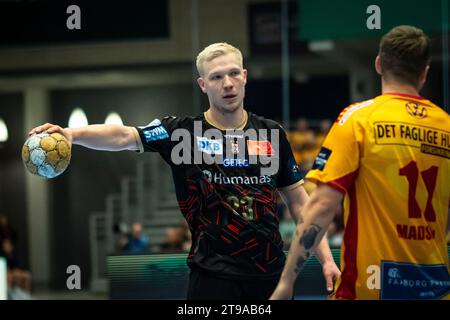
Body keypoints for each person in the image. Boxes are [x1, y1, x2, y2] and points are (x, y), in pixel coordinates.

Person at [29, 42, 339, 300]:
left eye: (233, 74)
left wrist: (326, 259)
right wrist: (72, 134)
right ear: (203, 84)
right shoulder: (180, 133)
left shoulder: (272, 134)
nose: (227, 83)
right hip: (212, 279)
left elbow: (301, 204)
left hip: (271, 277)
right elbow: (124, 136)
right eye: (217, 77)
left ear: (245, 77)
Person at [270, 25, 450, 300]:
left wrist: (285, 283)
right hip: (437, 289)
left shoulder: (358, 120)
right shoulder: (446, 126)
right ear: (425, 72)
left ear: (379, 64)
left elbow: (321, 205)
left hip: (371, 288)